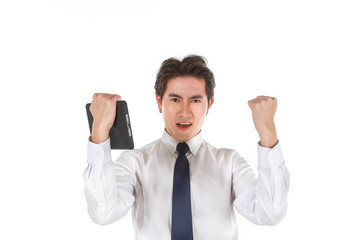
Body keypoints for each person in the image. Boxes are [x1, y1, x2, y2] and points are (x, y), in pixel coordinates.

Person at [84, 55, 290, 240]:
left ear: (208, 105)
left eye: (195, 100)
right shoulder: (135, 162)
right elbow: (103, 213)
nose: (185, 112)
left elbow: (269, 214)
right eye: (175, 99)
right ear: (159, 102)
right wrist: (100, 132)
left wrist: (268, 135)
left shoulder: (230, 162)